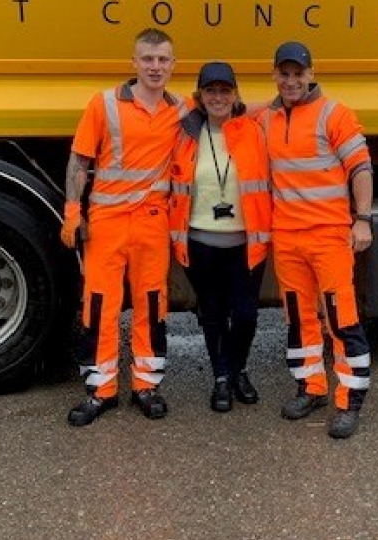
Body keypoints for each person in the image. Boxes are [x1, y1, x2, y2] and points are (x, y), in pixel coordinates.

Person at [60, 28, 188, 426]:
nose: (155, 67)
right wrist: (71, 210)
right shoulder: (104, 105)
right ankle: (102, 391)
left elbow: (230, 108)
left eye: (163, 60)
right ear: (133, 62)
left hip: (152, 224)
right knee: (101, 307)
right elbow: (79, 161)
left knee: (152, 304)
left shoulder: (181, 109)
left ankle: (146, 386)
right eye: (147, 59)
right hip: (108, 224)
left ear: (172, 65)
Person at [257, 41, 374, 438]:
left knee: (341, 318)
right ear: (274, 74)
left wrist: (363, 221)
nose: (291, 81)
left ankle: (348, 402)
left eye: (298, 74)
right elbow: (223, 114)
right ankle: (312, 387)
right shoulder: (267, 118)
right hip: (287, 238)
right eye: (284, 73)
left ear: (310, 74)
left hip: (328, 236)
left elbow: (361, 168)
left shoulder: (334, 114)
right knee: (298, 317)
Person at [169, 62, 272, 413]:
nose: (218, 97)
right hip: (199, 241)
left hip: (245, 242)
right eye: (210, 91)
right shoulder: (183, 134)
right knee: (212, 313)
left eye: (224, 90)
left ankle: (237, 367)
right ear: (199, 97)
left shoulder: (255, 130)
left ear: (235, 94)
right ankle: (223, 379)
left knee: (245, 314)